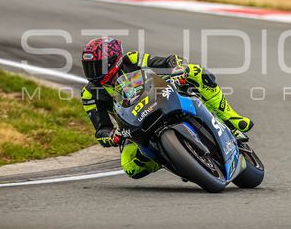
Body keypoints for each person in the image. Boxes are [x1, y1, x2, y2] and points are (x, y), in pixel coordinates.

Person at [80, 37, 254, 179]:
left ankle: (229, 119)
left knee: (195, 72)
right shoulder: (89, 93)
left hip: (161, 97)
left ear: (114, 61)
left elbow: (167, 61)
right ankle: (174, 158)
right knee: (130, 166)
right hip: (134, 126)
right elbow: (101, 130)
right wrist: (112, 136)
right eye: (89, 68)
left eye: (98, 66)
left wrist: (178, 68)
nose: (93, 73)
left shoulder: (132, 59)